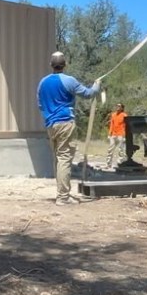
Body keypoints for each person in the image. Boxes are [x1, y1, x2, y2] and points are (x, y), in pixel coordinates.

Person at [37, 51, 100, 206]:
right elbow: (88, 93)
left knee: (58, 159)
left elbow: (40, 104)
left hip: (51, 124)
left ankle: (62, 193)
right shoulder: (69, 81)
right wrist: (96, 85)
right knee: (65, 158)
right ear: (65, 64)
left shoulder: (42, 83)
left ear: (51, 64)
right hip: (65, 122)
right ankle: (63, 197)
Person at [106, 102, 128, 168]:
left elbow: (126, 126)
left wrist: (125, 135)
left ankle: (120, 163)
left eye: (119, 106)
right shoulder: (113, 115)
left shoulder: (124, 115)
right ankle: (108, 163)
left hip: (121, 134)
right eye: (117, 106)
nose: (117, 107)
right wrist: (109, 134)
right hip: (113, 134)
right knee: (110, 149)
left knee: (121, 150)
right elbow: (111, 125)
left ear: (122, 108)